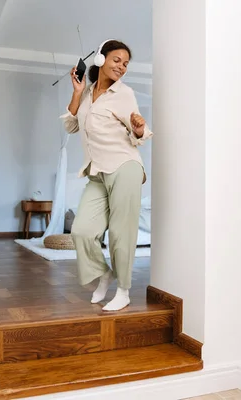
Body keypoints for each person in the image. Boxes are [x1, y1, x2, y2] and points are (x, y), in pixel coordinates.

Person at [59, 39, 153, 311]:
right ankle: (104, 273)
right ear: (100, 59)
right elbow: (70, 126)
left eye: (125, 64)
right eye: (117, 60)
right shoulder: (87, 93)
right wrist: (77, 93)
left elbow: (140, 134)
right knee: (82, 231)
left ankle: (123, 290)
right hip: (97, 171)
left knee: (121, 233)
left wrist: (137, 127)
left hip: (125, 167)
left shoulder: (124, 94)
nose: (122, 67)